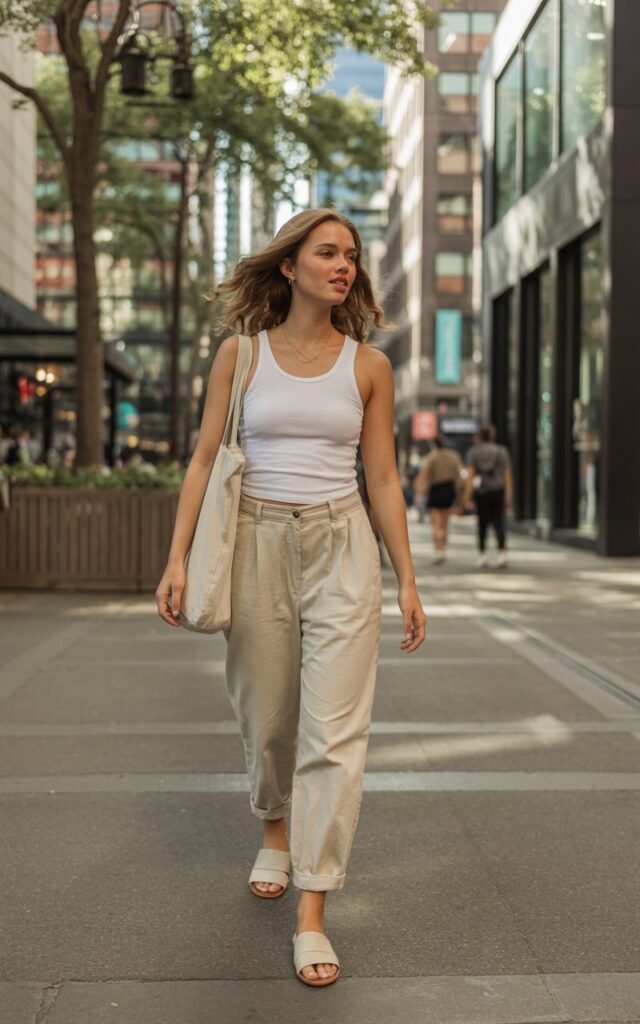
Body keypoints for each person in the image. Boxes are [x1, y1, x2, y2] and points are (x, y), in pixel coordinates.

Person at [155, 208, 427, 988]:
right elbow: (204, 458)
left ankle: (313, 907)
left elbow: (382, 478)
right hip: (256, 541)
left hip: (343, 546)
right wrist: (176, 559)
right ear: (289, 265)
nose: (343, 266)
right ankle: (274, 828)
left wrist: (407, 577)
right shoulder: (240, 355)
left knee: (334, 734)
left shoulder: (368, 367)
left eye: (351, 256)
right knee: (269, 715)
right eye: (327, 253)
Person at [463, 425, 513, 568]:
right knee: (499, 523)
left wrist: (466, 496)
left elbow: (470, 475)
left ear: (479, 436)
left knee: (482, 524)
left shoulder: (474, 452)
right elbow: (507, 475)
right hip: (498, 491)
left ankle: (483, 554)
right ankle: (502, 552)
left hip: (482, 492)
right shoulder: (502, 451)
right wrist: (508, 496)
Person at [413, 435, 463, 563]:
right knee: (445, 523)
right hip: (448, 490)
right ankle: (443, 549)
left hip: (435, 490)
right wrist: (459, 496)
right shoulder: (453, 456)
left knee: (435, 523)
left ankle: (437, 549)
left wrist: (419, 493)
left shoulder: (431, 457)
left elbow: (423, 476)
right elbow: (459, 477)